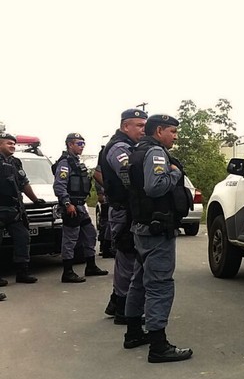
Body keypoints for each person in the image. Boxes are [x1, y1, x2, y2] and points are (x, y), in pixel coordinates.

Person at [124, 114, 193, 362]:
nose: (175, 136)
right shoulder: (155, 153)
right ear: (160, 130)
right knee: (160, 285)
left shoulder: (136, 151)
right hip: (156, 230)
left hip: (142, 227)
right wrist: (175, 174)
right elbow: (155, 187)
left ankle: (133, 332)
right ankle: (158, 345)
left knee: (140, 280)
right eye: (173, 131)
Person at [98, 109, 147, 325]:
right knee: (128, 257)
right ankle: (123, 309)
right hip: (123, 211)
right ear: (125, 126)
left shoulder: (128, 145)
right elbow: (131, 174)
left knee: (126, 259)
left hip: (126, 209)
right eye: (139, 125)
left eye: (145, 125)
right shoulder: (120, 148)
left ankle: (117, 302)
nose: (143, 130)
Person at [53, 132, 108, 283]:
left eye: (83, 144)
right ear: (70, 144)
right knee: (70, 239)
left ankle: (90, 266)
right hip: (71, 206)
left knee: (90, 234)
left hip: (80, 206)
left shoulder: (76, 162)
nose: (82, 147)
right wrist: (67, 203)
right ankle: (67, 272)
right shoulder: (65, 163)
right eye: (79, 144)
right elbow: (59, 186)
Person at [0, 132, 43, 285]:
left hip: (14, 209)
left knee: (23, 238)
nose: (12, 146)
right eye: (8, 143)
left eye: (14, 144)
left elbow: (24, 184)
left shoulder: (16, 162)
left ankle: (22, 272)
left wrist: (36, 200)